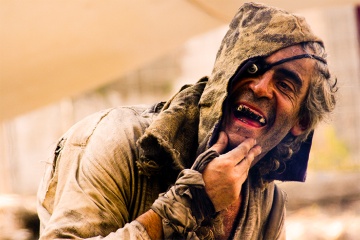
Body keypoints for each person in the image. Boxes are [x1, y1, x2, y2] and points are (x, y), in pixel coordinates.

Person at [37, 2, 337, 239]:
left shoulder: (267, 204)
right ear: (225, 74)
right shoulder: (119, 140)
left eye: (285, 84)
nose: (259, 87)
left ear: (301, 121)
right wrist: (192, 202)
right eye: (252, 67)